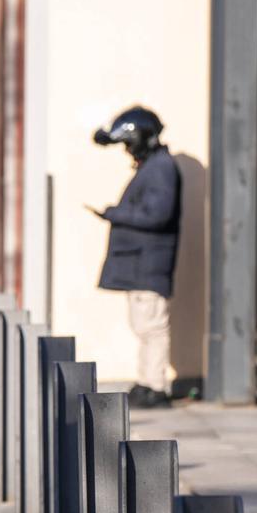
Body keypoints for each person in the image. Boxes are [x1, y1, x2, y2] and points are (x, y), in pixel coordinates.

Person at [89, 106, 182, 408]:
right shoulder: (153, 167)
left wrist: (116, 213)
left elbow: (157, 214)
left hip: (148, 265)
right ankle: (146, 381)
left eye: (130, 143)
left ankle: (156, 386)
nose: (128, 151)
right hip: (141, 265)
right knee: (143, 327)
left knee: (152, 327)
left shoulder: (161, 167)